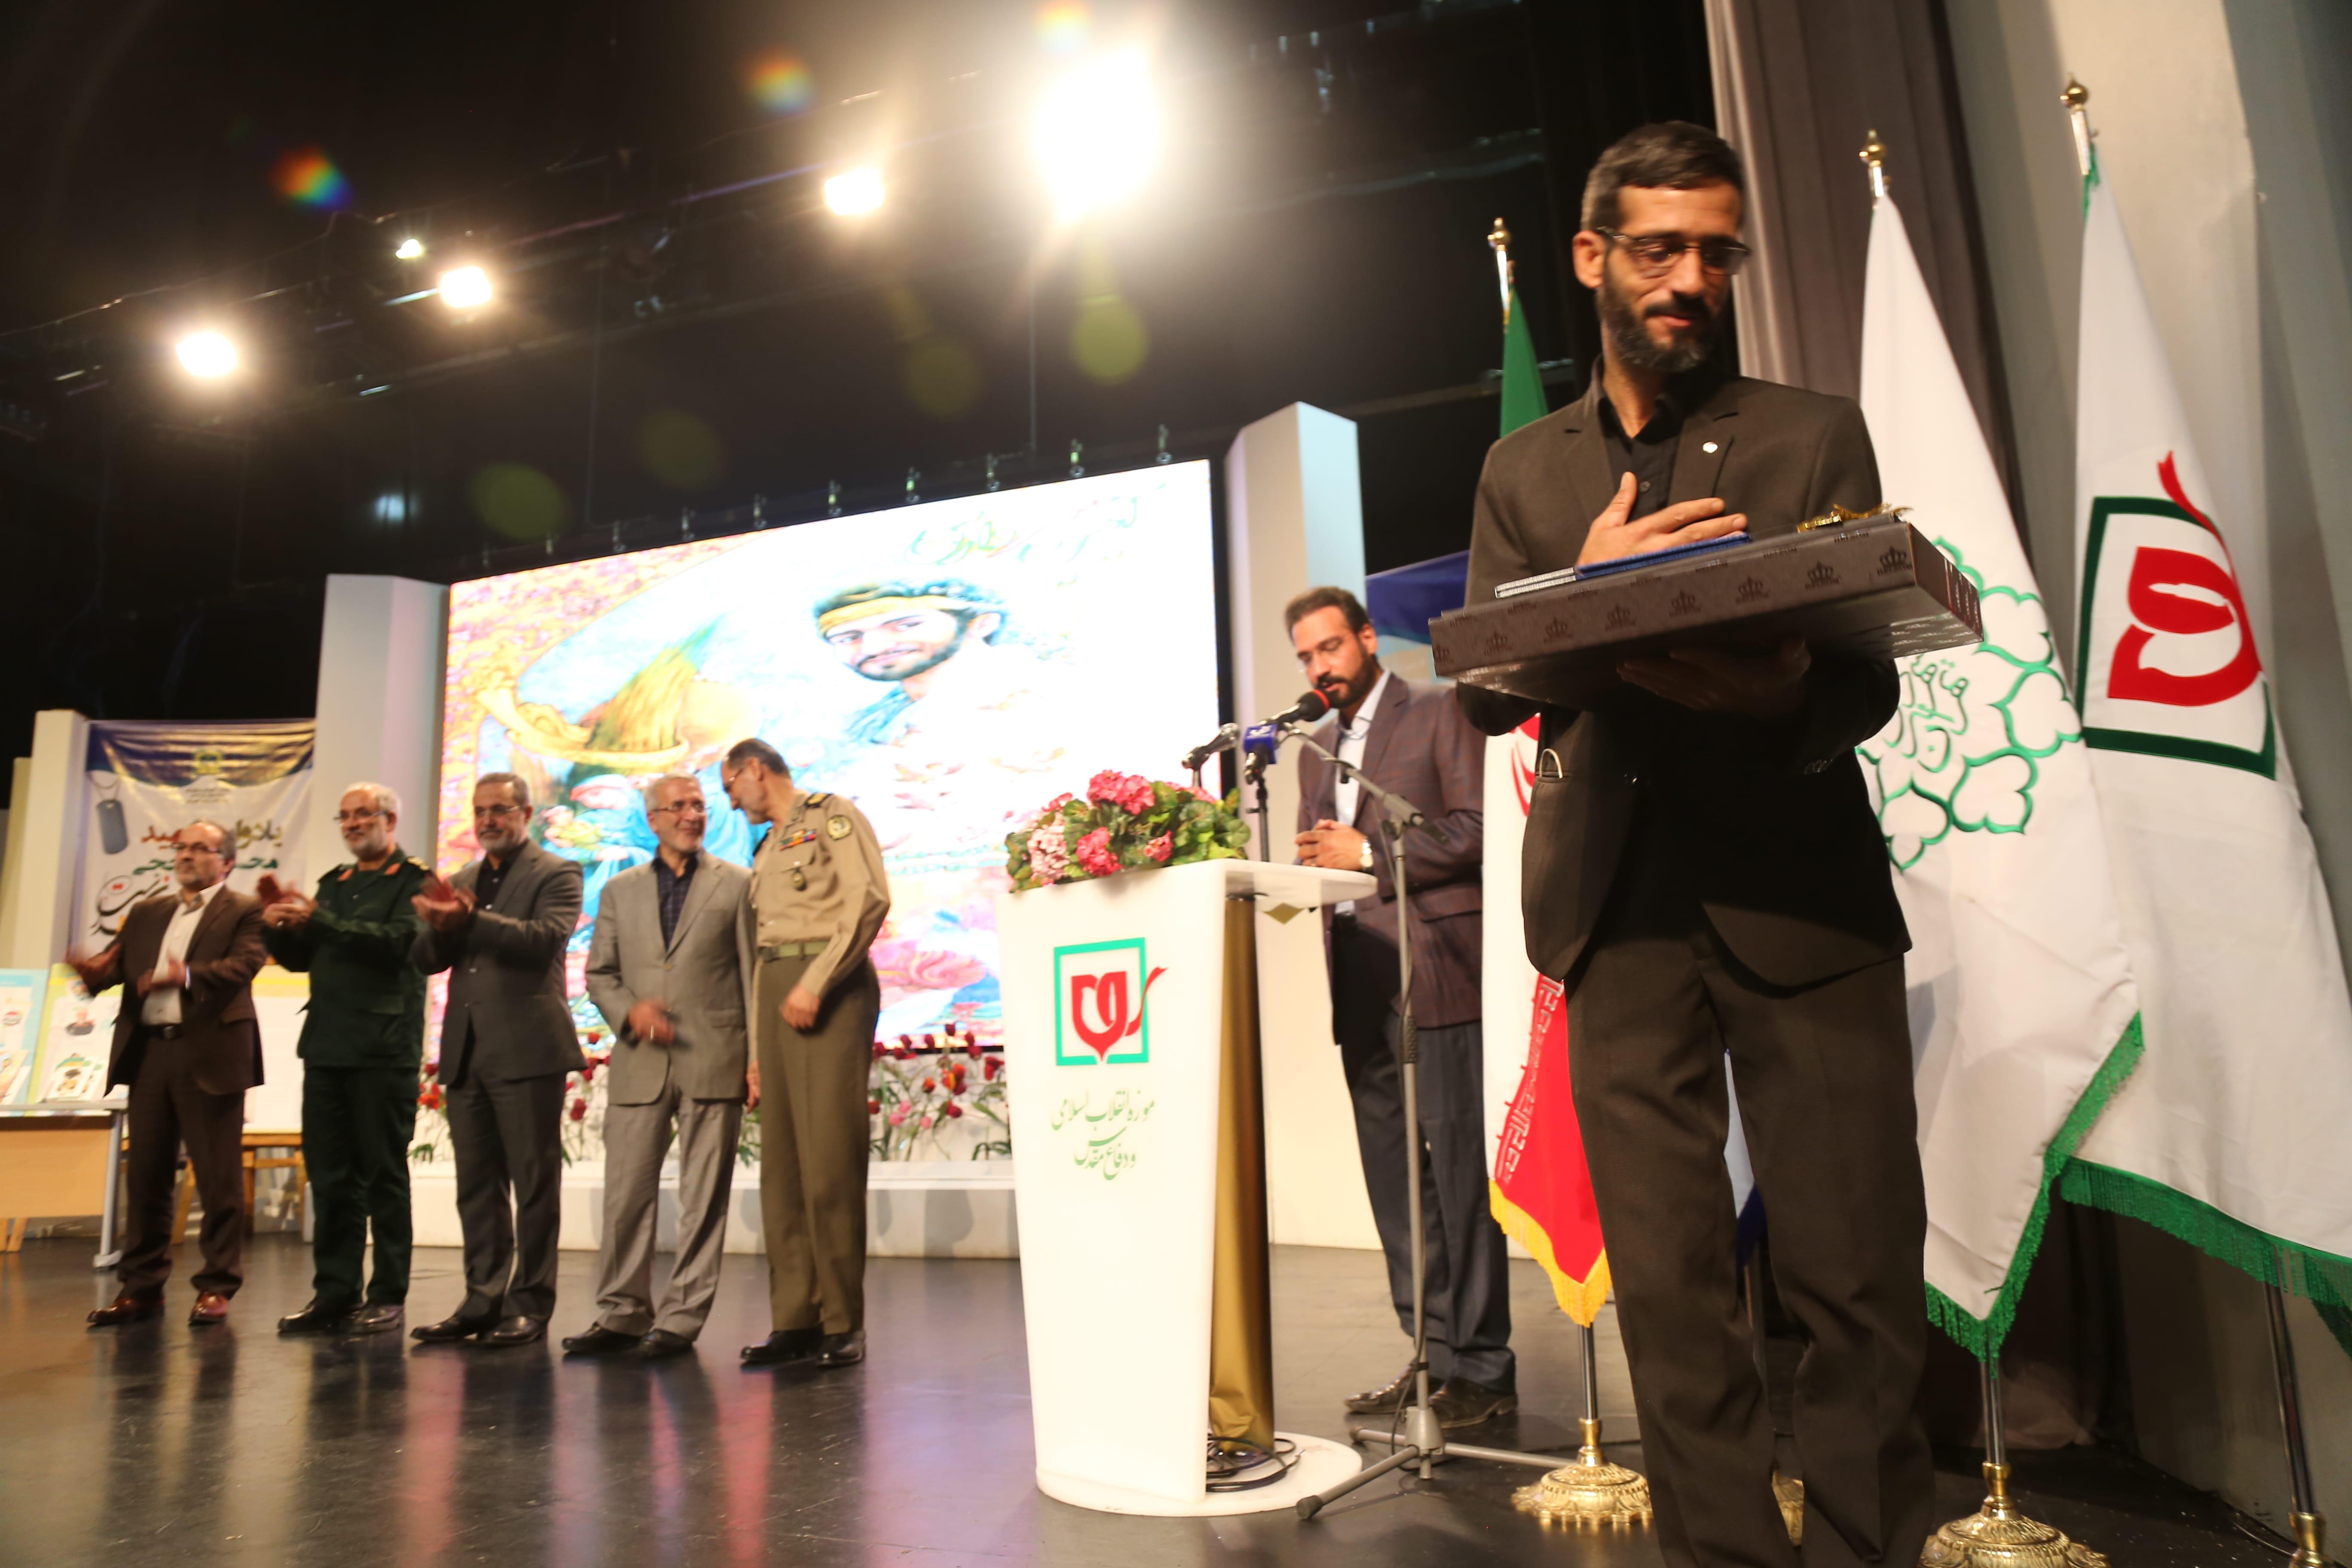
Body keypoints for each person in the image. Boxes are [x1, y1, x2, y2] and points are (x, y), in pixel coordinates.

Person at [1455, 121, 1931, 1566]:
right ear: (1591, 257)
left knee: (1854, 1281)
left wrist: (1779, 693)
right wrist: (1585, 593)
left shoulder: (1812, 431)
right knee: (1669, 1293)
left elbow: (1867, 675)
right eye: (1659, 250)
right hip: (1615, 910)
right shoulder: (1522, 470)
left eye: (1716, 253)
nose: (1689, 280)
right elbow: (1486, 687)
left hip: (1804, 897)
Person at [1285, 586, 1512, 1429]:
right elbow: (1325, 857)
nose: (1320, 667)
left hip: (1438, 973)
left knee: (1458, 1180)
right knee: (1395, 1185)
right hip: (1358, 980)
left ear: (1368, 638)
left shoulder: (1440, 711)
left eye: (1330, 647)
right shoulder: (1314, 749)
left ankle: (1482, 1370)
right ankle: (1429, 1355)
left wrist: (1371, 851)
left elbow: (1478, 828)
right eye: (1306, 657)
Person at [564, 773, 756, 1360]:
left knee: (704, 1199)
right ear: (653, 820)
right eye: (679, 807)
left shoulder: (737, 884)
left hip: (715, 1055)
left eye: (699, 805)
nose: (692, 815)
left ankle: (681, 1319)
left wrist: (756, 1062)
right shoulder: (620, 889)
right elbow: (601, 974)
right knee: (625, 1195)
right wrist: (631, 1012)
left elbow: (753, 977)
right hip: (641, 1060)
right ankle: (621, 1313)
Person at [721, 738, 890, 1370]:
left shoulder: (831, 815)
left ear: (754, 770)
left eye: (730, 786)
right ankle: (796, 1319)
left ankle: (842, 1322)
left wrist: (817, 983)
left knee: (829, 1160)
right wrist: (756, 1053)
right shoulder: (766, 847)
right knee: (784, 1169)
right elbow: (761, 951)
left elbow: (868, 899)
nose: (730, 803)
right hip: (777, 989)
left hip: (829, 986)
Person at [409, 772, 585, 1348]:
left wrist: (469, 921)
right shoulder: (462, 879)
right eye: (480, 811)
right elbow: (428, 961)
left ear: (526, 813)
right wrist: (437, 925)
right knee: (477, 1186)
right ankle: (481, 1301)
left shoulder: (557, 872)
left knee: (534, 1185)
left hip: (528, 1049)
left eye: (500, 810)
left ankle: (529, 1304)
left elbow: (544, 939)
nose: (488, 820)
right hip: (467, 1051)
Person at [78, 821, 266, 1329]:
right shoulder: (146, 912)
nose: (186, 855)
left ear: (227, 862)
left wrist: (186, 975)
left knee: (218, 1178)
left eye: (201, 848)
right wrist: (93, 976)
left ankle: (217, 1286)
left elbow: (246, 965)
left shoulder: (244, 909)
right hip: (150, 1054)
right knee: (146, 1176)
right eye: (181, 847)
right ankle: (141, 1289)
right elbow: (117, 969)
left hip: (210, 1052)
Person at [262, 783, 432, 1337]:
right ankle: (334, 1293)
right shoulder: (333, 884)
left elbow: (399, 944)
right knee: (331, 1177)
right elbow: (302, 959)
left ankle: (387, 1295)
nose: (353, 824)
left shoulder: (415, 881)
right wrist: (276, 926)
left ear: (391, 819)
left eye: (364, 815)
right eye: (345, 817)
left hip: (383, 1049)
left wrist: (319, 920)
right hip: (327, 1047)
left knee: (384, 1175)